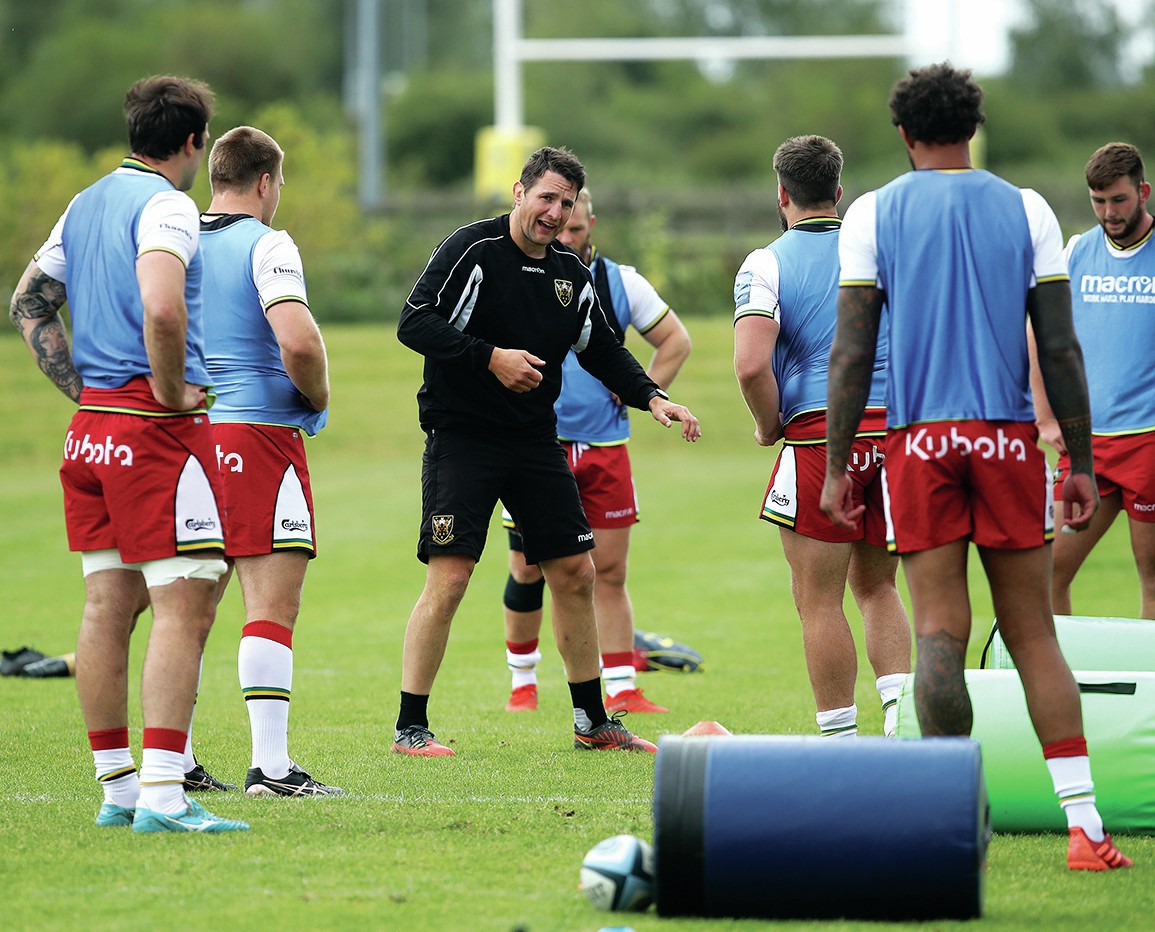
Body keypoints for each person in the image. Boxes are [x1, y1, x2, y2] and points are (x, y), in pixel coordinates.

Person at [820, 62, 1130, 871]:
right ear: (973, 126)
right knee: (1032, 634)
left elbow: (850, 350)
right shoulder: (1026, 208)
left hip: (918, 443)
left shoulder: (871, 212)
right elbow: (1058, 347)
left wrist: (836, 466)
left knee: (936, 632)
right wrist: (1081, 461)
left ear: (902, 133)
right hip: (1004, 441)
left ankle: (945, 821)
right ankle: (1085, 829)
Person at [393, 146, 700, 757]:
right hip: (463, 437)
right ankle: (410, 728)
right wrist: (491, 358)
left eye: (566, 203)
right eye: (546, 198)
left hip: (535, 441)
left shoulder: (570, 275)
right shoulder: (473, 249)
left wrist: (652, 397)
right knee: (451, 578)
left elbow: (603, 348)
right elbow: (414, 322)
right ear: (519, 192)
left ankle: (593, 721)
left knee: (577, 574)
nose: (556, 212)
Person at [8, 75, 248, 833]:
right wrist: (172, 393)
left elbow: (28, 302)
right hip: (154, 432)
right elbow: (162, 306)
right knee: (187, 600)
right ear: (193, 141)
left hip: (93, 431)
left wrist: (85, 391)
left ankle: (117, 788)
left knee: (106, 605)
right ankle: (165, 795)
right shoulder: (169, 206)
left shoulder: (83, 204)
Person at [733, 135, 910, 739]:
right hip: (895, 431)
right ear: (838, 190)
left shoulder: (766, 262)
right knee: (880, 586)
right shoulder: (882, 252)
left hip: (819, 435)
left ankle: (840, 741)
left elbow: (751, 366)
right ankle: (902, 723)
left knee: (819, 599)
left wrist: (768, 426)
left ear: (781, 194)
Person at [501, 187, 692, 715]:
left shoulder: (620, 281)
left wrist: (640, 390)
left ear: (590, 225)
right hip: (538, 445)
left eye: (575, 227)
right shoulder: (519, 272)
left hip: (606, 447)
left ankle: (623, 687)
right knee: (527, 569)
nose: (564, 235)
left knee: (608, 571)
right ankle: (523, 683)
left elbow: (676, 341)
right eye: (559, 226)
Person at [197, 125, 342, 797]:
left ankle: (176, 759)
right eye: (279, 183)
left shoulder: (173, 240)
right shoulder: (268, 242)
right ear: (264, 182)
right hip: (258, 436)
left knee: (188, 610)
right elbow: (299, 342)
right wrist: (317, 396)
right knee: (271, 604)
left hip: (187, 436)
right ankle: (272, 767)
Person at [1029, 142, 1155, 619]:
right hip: (1086, 447)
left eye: (1119, 200)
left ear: (1143, 192)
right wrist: (1044, 416)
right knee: (1046, 574)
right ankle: (1060, 670)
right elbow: (1039, 331)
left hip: (1148, 444)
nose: (1109, 212)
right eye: (1098, 201)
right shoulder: (1077, 250)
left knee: (1152, 580)